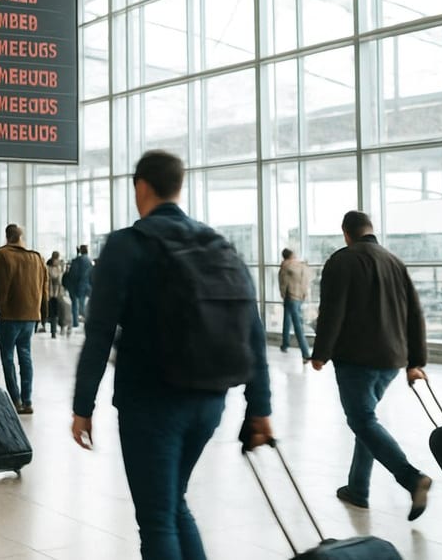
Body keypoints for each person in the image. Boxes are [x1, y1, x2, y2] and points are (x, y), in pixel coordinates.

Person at [71, 150, 273, 560]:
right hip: (210, 401)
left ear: (141, 187)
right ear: (178, 186)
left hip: (151, 402)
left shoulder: (126, 245)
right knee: (173, 503)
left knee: (157, 519)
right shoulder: (217, 244)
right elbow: (252, 328)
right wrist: (260, 407)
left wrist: (82, 406)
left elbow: (99, 333)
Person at [311, 210, 432, 519]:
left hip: (356, 358)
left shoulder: (342, 260)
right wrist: (415, 361)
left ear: (346, 232)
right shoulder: (394, 261)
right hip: (392, 359)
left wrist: (320, 352)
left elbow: (332, 310)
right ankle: (358, 489)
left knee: (363, 420)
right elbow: (414, 313)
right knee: (366, 421)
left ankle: (411, 478)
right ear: (370, 230)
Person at [0, 224, 48, 414]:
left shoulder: (3, 255)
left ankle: (16, 400)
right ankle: (28, 401)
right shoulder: (37, 257)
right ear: (21, 237)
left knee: (8, 358)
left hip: (10, 317)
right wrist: (42, 315)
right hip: (30, 318)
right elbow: (44, 289)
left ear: (7, 237)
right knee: (26, 356)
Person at [278, 248, 311, 362]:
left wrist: (283, 294)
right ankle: (285, 344)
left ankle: (305, 353)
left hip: (290, 296)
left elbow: (283, 282)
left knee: (297, 325)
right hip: (300, 296)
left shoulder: (285, 266)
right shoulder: (302, 266)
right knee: (288, 319)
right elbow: (306, 281)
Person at [65, 244, 92, 330]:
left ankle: (76, 322)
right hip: (86, 285)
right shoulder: (88, 260)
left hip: (77, 286)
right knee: (82, 304)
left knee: (76, 305)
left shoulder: (78, 260)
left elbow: (73, 273)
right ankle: (86, 322)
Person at [46, 251, 68, 338]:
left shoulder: (53, 268)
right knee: (55, 313)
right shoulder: (51, 268)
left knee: (58, 313)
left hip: (56, 293)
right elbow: (57, 279)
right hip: (53, 294)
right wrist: (61, 270)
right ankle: (54, 331)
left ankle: (58, 330)